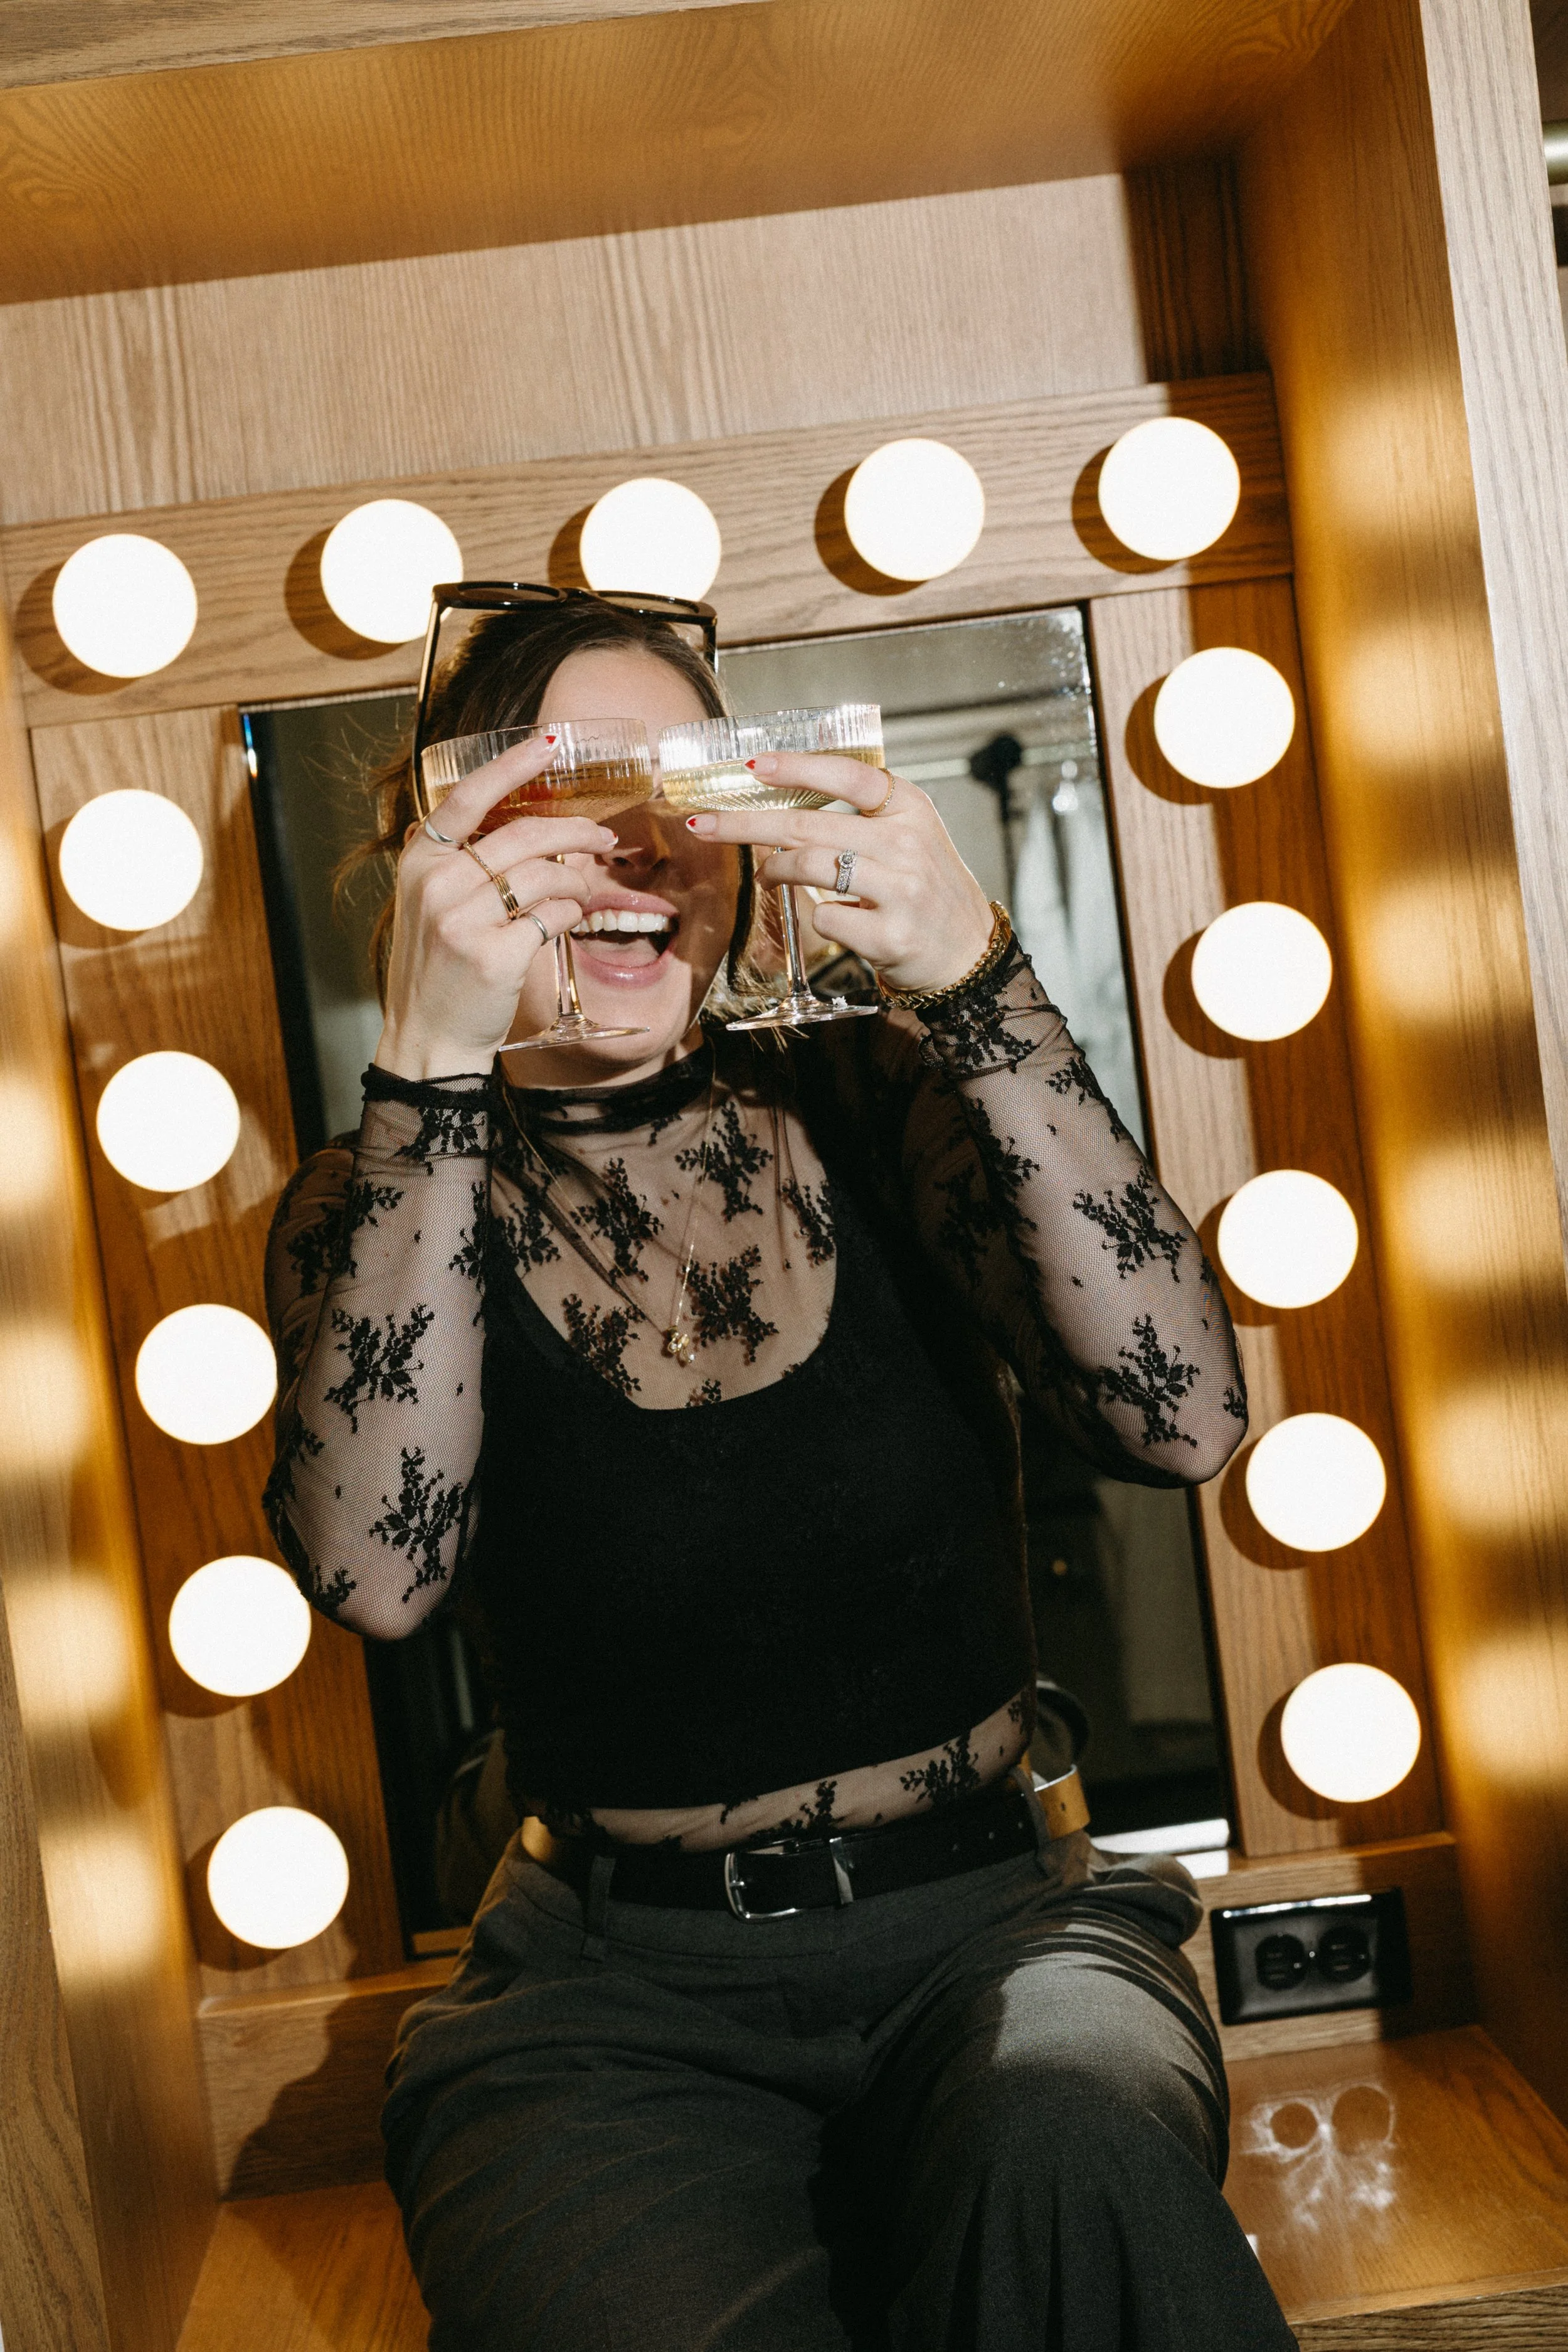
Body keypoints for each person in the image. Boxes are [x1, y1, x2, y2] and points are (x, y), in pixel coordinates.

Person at [262, 593, 1295, 2351]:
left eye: (685, 792)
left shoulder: (874, 1091)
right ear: (438, 846)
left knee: (1075, 2153)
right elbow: (375, 1573)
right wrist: (424, 1058)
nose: (638, 853)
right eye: (564, 796)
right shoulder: (368, 1208)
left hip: (1010, 1932)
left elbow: (1184, 1416)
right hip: (610, 2008)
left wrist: (974, 978)